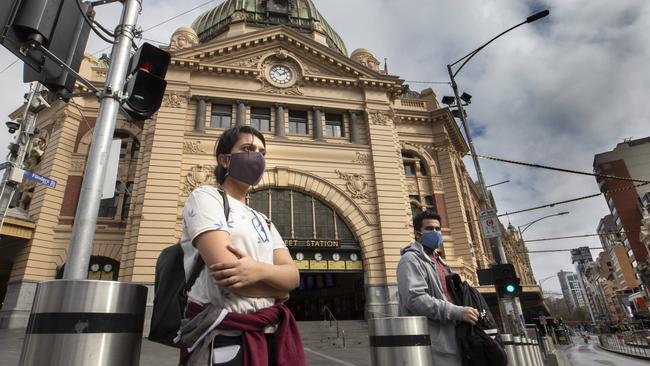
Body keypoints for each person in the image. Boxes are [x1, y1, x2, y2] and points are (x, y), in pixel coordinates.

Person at [178, 126, 306, 366]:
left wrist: (260, 271)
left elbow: (293, 276)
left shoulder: (263, 219)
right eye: (247, 149)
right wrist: (279, 291)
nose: (256, 156)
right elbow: (228, 274)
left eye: (261, 151)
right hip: (222, 337)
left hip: (269, 334)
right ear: (225, 160)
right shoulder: (206, 197)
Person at [397, 210, 480, 366]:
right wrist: (457, 312)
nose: (435, 232)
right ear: (417, 234)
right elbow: (416, 300)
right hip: (431, 344)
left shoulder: (441, 262)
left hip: (453, 338)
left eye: (437, 228)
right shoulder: (410, 260)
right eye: (429, 229)